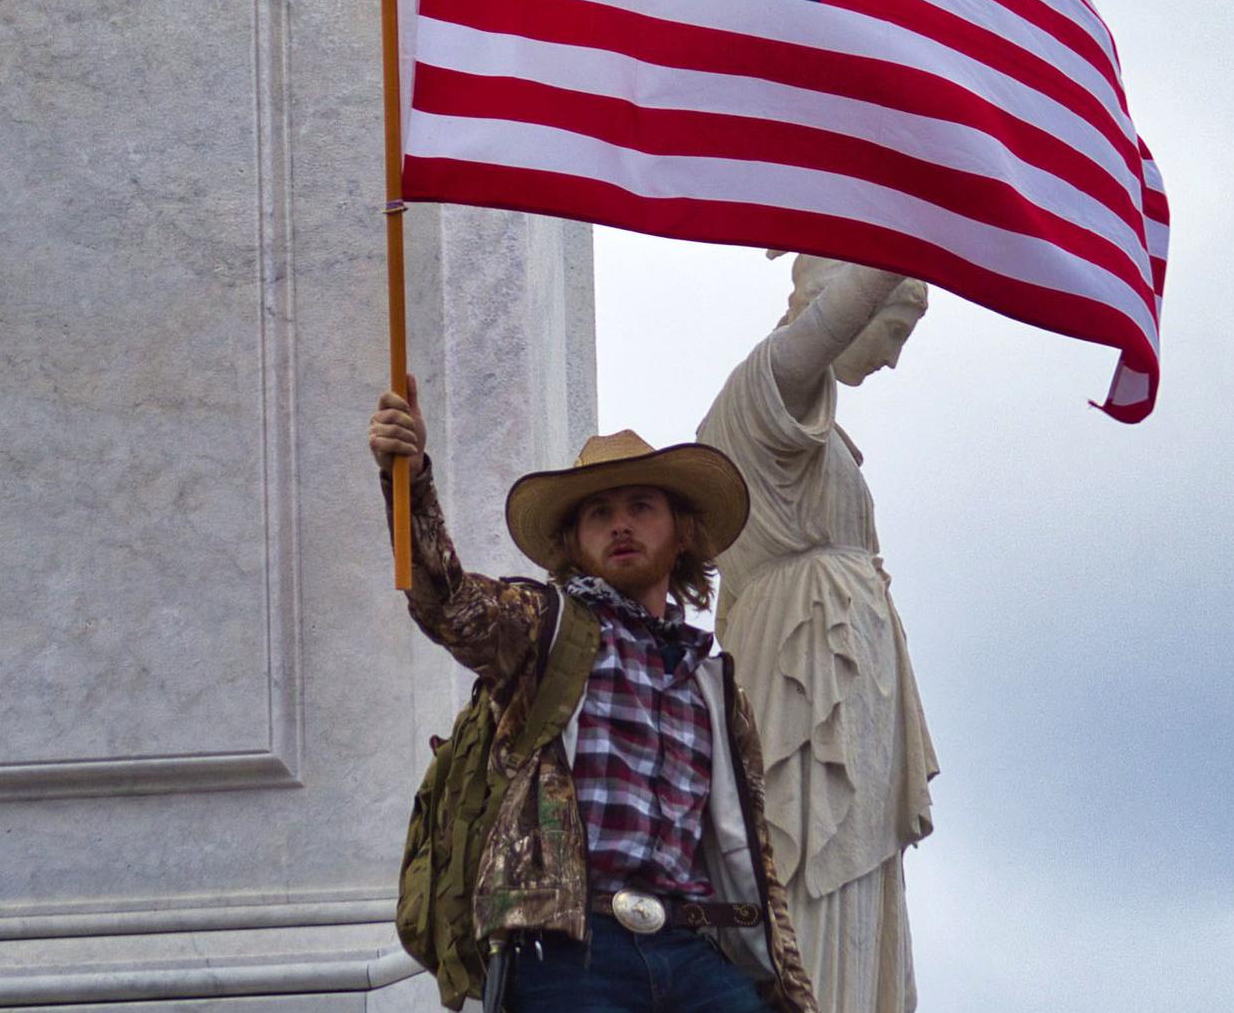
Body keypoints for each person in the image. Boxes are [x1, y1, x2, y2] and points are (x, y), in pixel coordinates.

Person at [369, 376, 816, 1013]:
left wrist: (790, 992)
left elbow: (753, 859)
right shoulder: (543, 627)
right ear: (574, 544)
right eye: (599, 514)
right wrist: (408, 481)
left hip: (694, 951)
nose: (621, 525)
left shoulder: (716, 687)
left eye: (641, 506)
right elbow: (447, 601)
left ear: (682, 532)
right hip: (571, 947)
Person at [695, 256, 939, 1013]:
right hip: (802, 680)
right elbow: (817, 333)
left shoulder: (824, 436)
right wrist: (904, 228)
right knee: (802, 873)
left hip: (850, 689)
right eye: (895, 326)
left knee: (857, 894)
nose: (895, 353)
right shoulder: (764, 394)